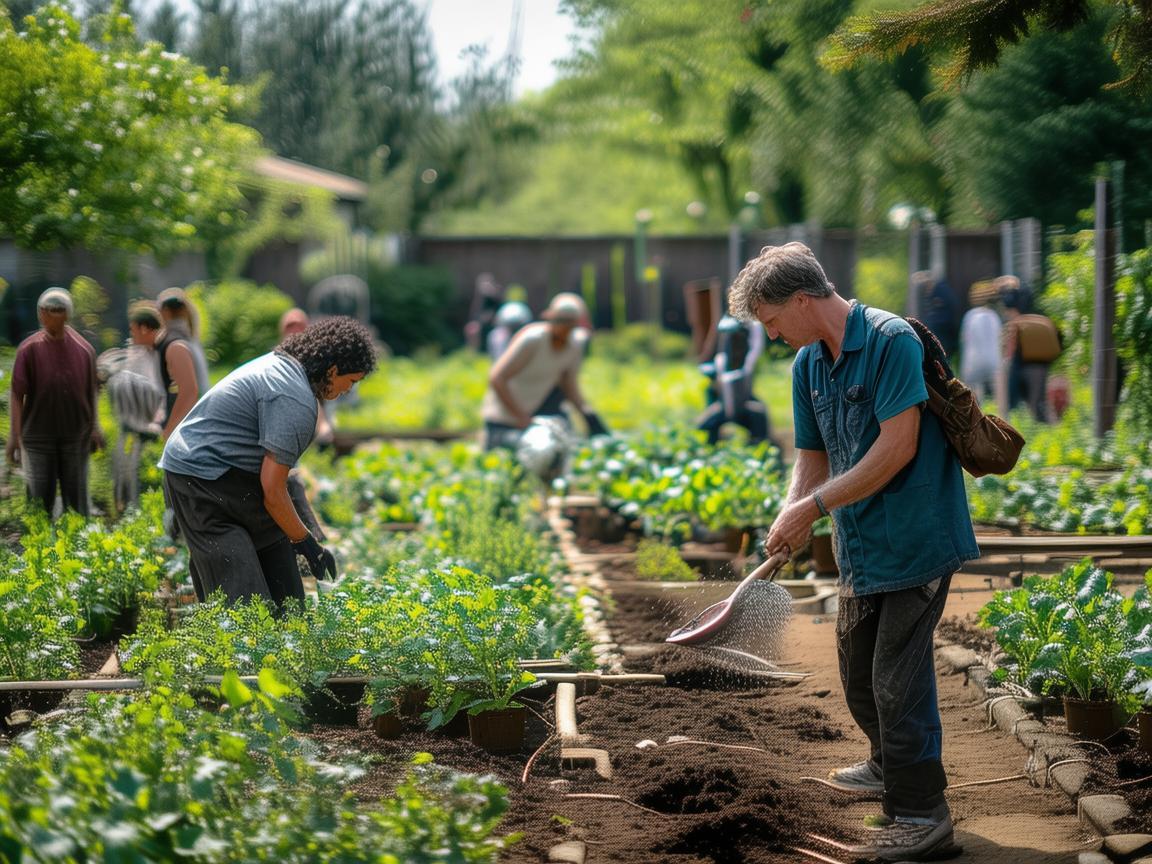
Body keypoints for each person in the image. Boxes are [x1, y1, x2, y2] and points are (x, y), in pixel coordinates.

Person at [727, 242, 978, 862]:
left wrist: (813, 508)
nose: (772, 334)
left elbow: (897, 448)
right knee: (858, 671)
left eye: (772, 320)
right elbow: (811, 457)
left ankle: (922, 815)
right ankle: (886, 761)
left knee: (897, 680)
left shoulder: (892, 341)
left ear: (801, 300)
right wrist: (792, 513)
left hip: (916, 538)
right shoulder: (809, 364)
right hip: (861, 545)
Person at [159, 316, 375, 609]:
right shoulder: (295, 399)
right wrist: (308, 543)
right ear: (333, 370)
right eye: (351, 382)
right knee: (243, 595)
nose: (347, 390)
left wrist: (299, 539)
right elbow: (273, 491)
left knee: (286, 590)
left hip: (235, 474)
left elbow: (277, 485)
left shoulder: (289, 371)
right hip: (199, 475)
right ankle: (237, 630)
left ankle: (289, 626)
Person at [6, 287, 105, 516]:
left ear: (68, 314)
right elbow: (17, 393)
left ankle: (77, 538)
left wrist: (95, 427)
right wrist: (14, 436)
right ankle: (40, 539)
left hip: (76, 436)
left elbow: (92, 391)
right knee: (39, 503)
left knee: (77, 503)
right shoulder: (29, 350)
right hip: (38, 438)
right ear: (40, 313)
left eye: (59, 310)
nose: (52, 315)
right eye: (48, 310)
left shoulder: (84, 350)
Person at [481, 294, 599, 450]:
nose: (564, 328)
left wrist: (587, 414)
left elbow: (568, 384)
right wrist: (519, 416)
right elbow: (497, 378)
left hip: (538, 409)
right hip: (506, 416)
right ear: (550, 318)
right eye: (561, 321)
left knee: (561, 448)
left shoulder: (575, 344)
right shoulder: (533, 339)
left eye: (570, 324)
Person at [100, 301, 166, 513]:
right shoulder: (136, 355)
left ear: (144, 328)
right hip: (132, 432)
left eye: (133, 329)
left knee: (140, 481)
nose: (131, 334)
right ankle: (126, 512)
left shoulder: (157, 355)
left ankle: (134, 514)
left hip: (150, 434)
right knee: (126, 475)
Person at [695, 314, 772, 446]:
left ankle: (759, 444)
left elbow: (755, 350)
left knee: (759, 417)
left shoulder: (752, 329)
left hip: (742, 394)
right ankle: (708, 446)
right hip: (723, 400)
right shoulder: (722, 357)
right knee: (705, 423)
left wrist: (747, 367)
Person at [998, 276, 1060, 423]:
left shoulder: (1016, 324)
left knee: (1029, 405)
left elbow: (1009, 352)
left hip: (1025, 368)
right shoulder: (1038, 318)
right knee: (1038, 403)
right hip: (1042, 366)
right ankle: (1047, 427)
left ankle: (1032, 426)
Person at [155, 287, 210, 440]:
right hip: (198, 417)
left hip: (185, 423)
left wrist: (170, 429)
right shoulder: (190, 338)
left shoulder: (174, 342)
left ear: (165, 311)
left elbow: (189, 391)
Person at [957, 281, 1003, 403]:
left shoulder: (970, 315)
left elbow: (964, 339)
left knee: (975, 396)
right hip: (993, 361)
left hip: (974, 361)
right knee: (998, 390)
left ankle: (977, 412)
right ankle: (1002, 412)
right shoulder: (994, 315)